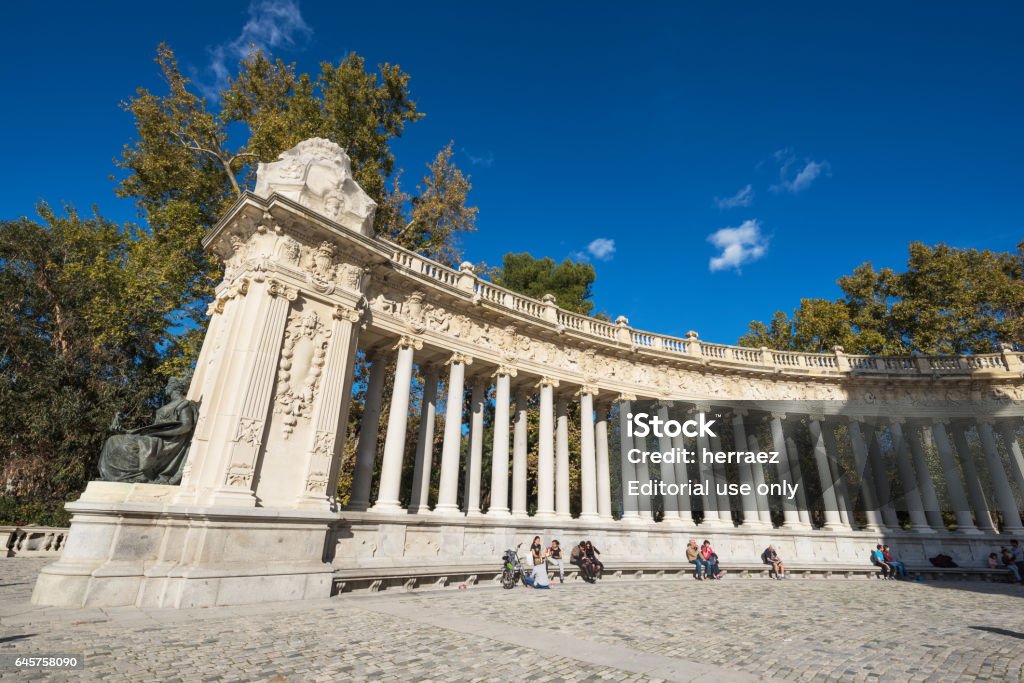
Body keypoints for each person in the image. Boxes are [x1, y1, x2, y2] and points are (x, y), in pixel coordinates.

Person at [98, 377, 198, 484]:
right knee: (113, 440)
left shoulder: (184, 405)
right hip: (153, 437)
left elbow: (186, 426)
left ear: (174, 387)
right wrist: (126, 431)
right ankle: (112, 475)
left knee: (129, 446)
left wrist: (157, 433)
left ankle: (135, 476)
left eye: (168, 385)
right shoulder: (168, 405)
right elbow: (154, 427)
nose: (166, 388)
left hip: (167, 441)